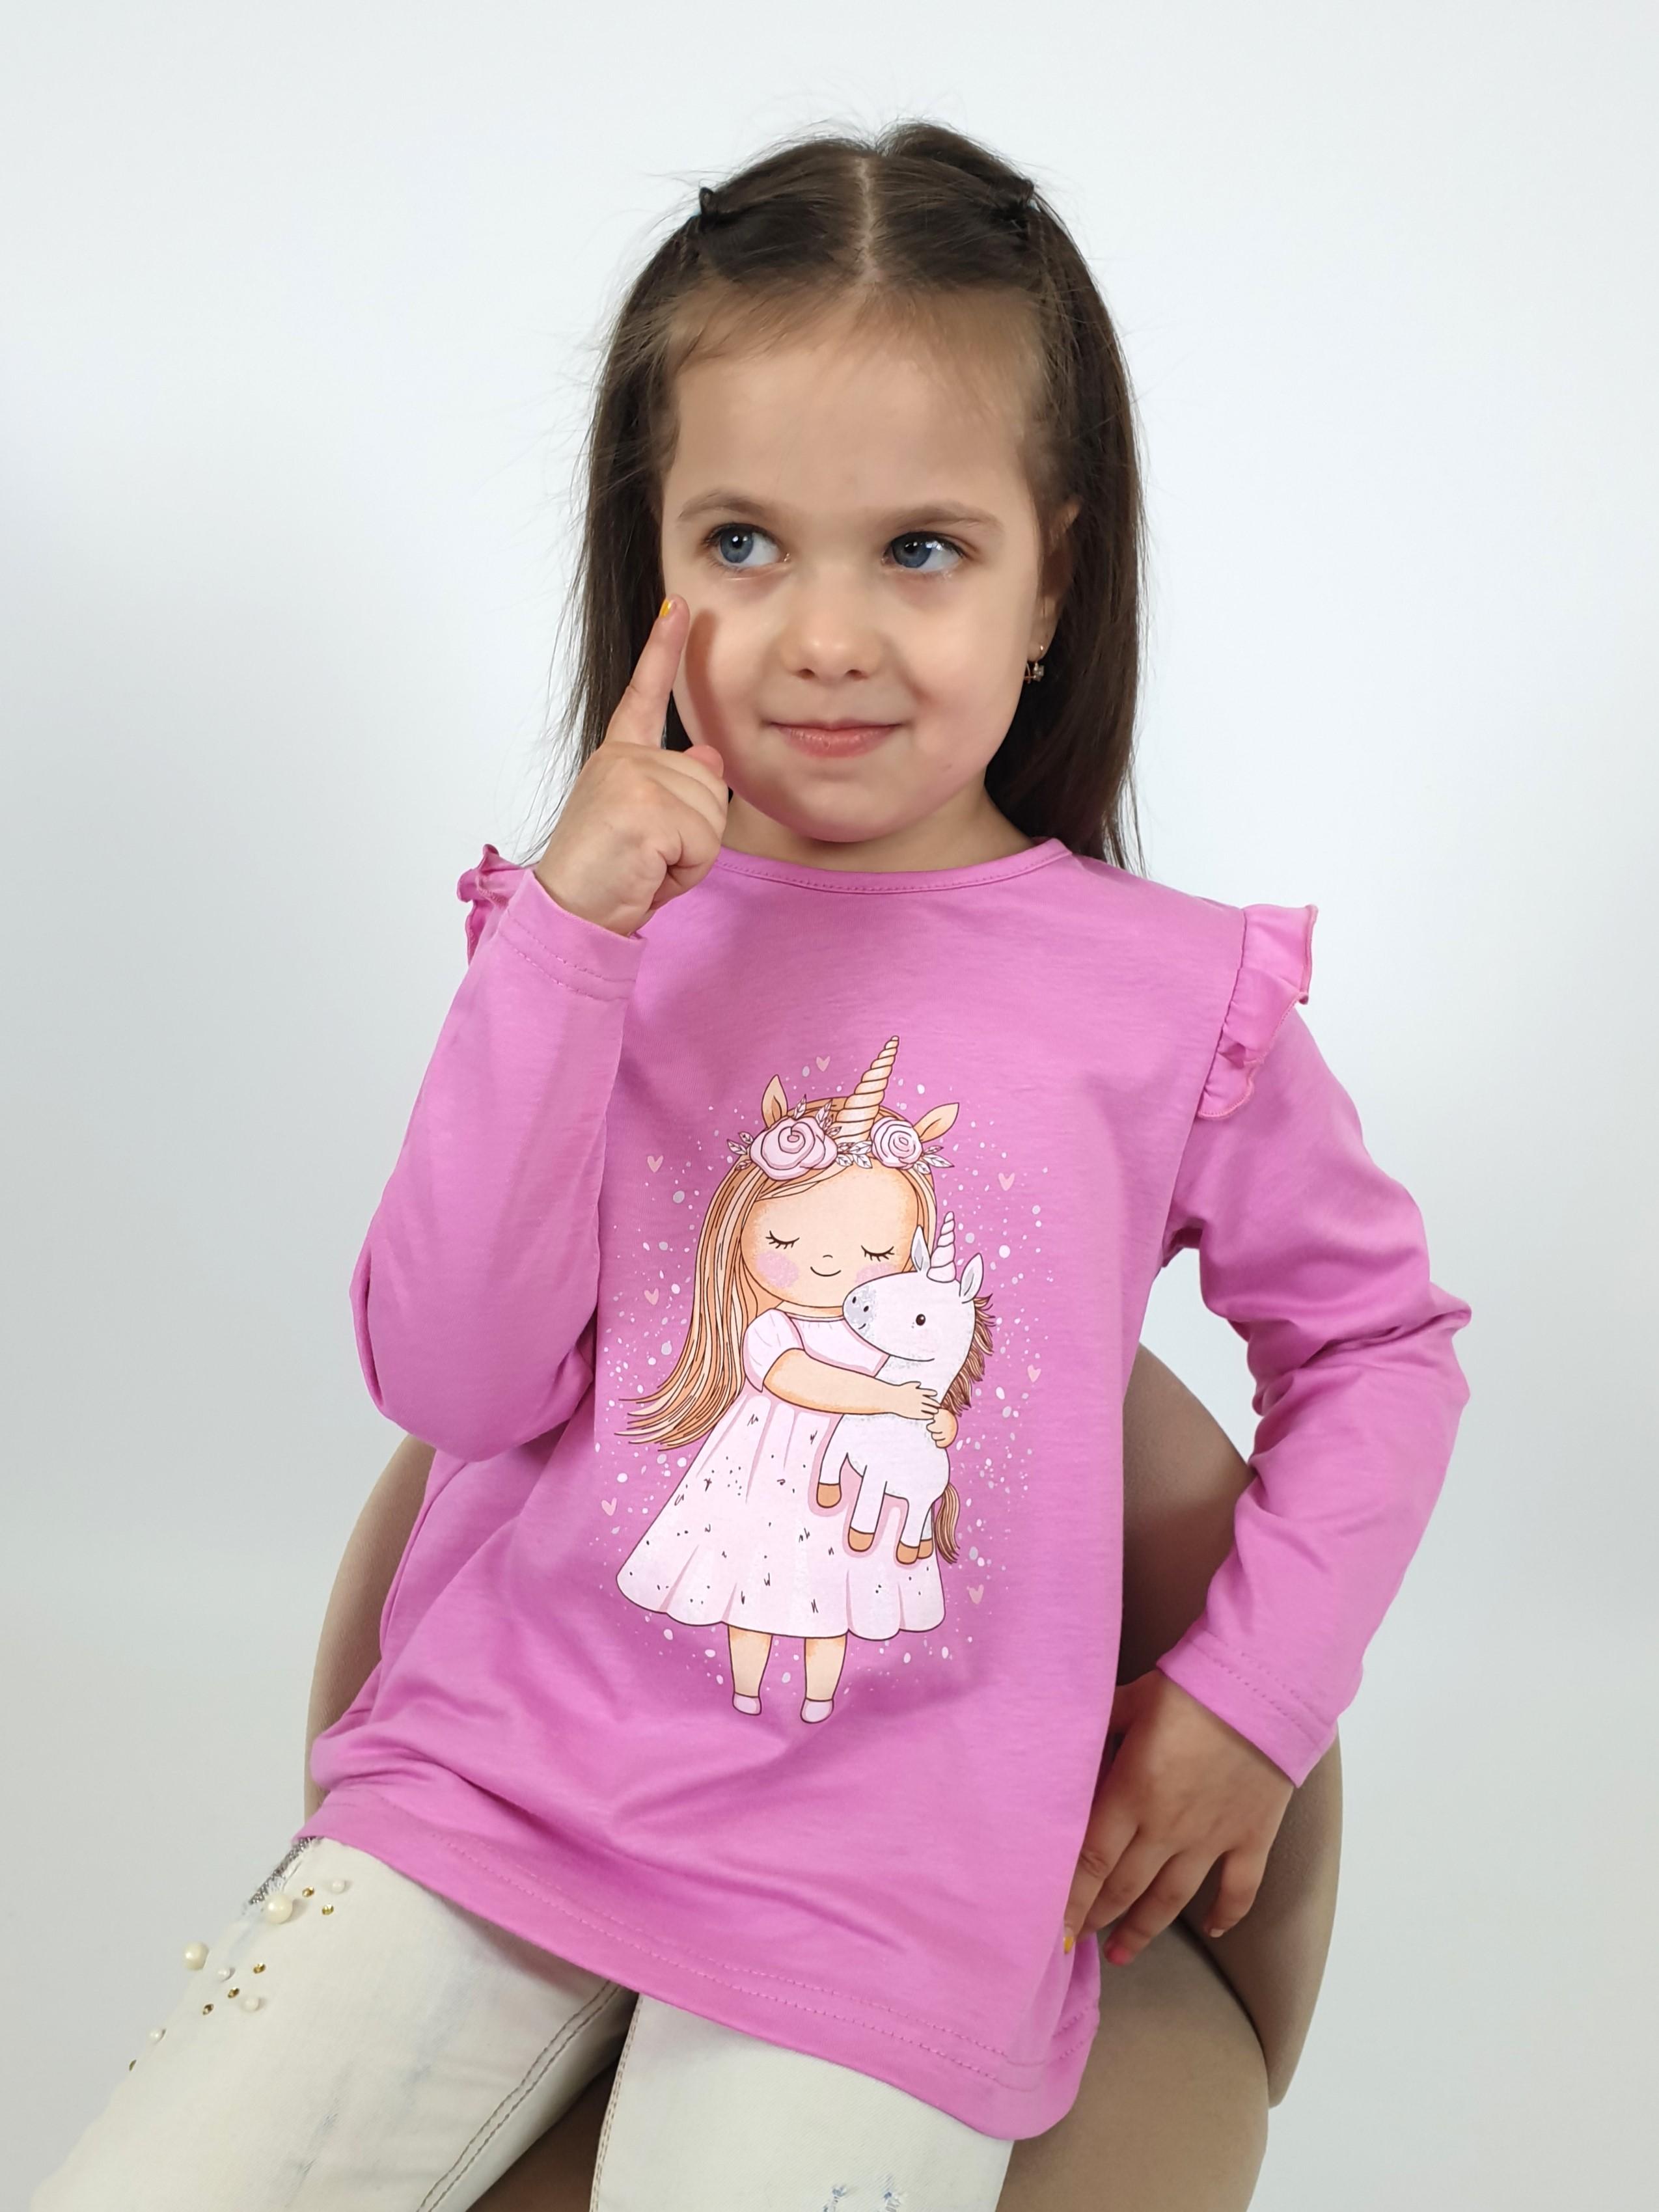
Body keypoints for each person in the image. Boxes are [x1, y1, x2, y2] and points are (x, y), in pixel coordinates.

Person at [32, 116, 1472, 2211]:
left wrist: (1251, 1699)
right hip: (495, 1798)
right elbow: (452, 1383)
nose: (824, 635)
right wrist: (572, 939)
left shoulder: (1171, 999)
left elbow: (1380, 1349)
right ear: (653, 558)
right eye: (744, 543)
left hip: (895, 1892)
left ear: (1055, 577)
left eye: (922, 549)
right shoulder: (586, 935)